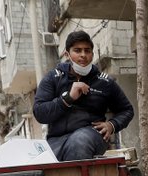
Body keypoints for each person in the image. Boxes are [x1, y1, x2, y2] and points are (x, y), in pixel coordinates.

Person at [33, 30, 134, 161]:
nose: (83, 55)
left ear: (92, 54)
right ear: (67, 54)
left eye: (87, 50)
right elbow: (39, 112)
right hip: (57, 140)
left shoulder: (105, 82)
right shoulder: (53, 78)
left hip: (91, 135)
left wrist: (112, 125)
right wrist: (67, 98)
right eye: (77, 50)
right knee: (39, 160)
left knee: (79, 141)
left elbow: (127, 110)